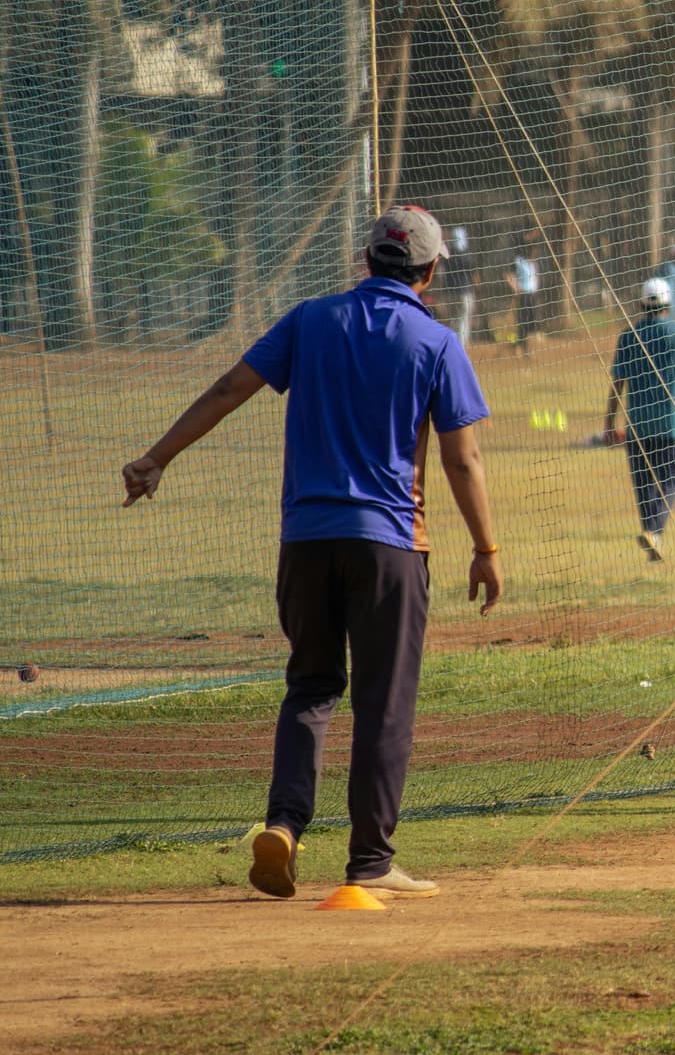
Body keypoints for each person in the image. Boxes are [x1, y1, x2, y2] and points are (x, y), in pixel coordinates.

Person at [121, 204, 502, 901]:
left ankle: (285, 826)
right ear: (431, 270)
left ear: (365, 260)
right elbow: (463, 459)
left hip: (305, 541)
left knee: (312, 684)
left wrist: (156, 457)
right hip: (389, 546)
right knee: (384, 703)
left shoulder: (310, 319)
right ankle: (370, 861)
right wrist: (485, 547)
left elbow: (230, 387)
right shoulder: (437, 341)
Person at [606, 277, 675, 563]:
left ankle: (650, 530)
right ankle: (656, 531)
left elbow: (617, 382)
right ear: (668, 305)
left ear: (641, 304)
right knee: (669, 481)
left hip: (638, 424)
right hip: (673, 424)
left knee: (643, 482)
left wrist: (609, 421)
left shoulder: (628, 335)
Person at [439, 226, 476, 347]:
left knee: (451, 322)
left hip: (448, 294)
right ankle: (460, 350)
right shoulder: (467, 257)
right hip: (463, 293)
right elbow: (473, 274)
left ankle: (450, 347)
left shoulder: (447, 256)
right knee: (462, 323)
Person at [509, 234, 541, 355]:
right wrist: (515, 287)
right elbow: (509, 275)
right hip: (523, 295)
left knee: (531, 322)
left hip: (533, 295)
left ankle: (524, 346)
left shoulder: (533, 262)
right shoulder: (518, 261)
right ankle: (520, 348)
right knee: (522, 322)